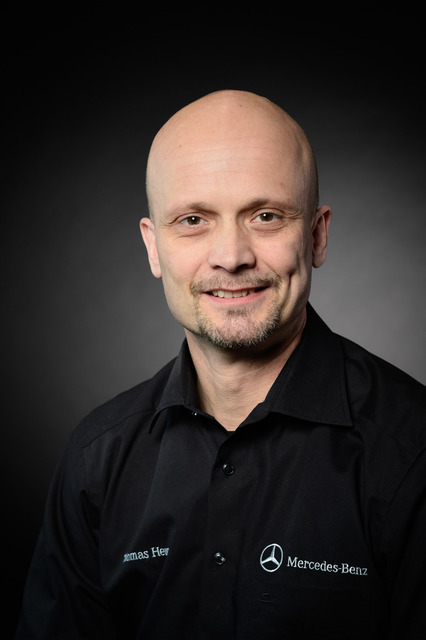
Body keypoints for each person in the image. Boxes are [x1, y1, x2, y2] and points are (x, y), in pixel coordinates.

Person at [16, 90, 426, 639]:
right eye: (193, 219)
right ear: (153, 247)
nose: (231, 256)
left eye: (265, 216)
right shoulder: (96, 459)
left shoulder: (412, 453)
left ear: (316, 235)